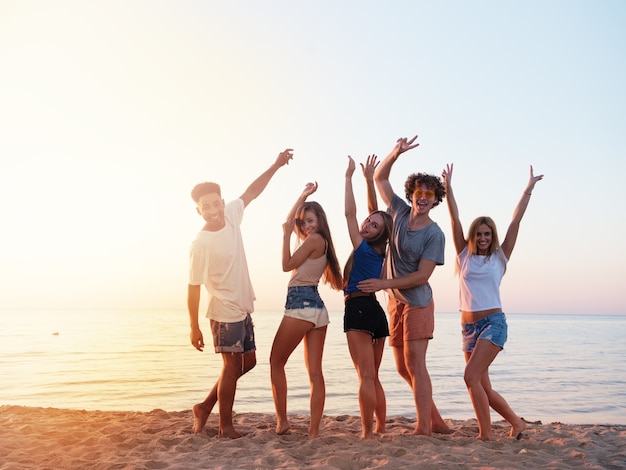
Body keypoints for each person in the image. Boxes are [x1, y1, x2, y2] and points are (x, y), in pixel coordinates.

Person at [187, 149, 293, 439]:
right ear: (199, 211)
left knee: (248, 363)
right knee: (231, 366)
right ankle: (226, 427)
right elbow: (193, 286)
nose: (211, 210)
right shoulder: (201, 244)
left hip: (242, 307)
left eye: (214, 203)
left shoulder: (232, 214)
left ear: (221, 202)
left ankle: (205, 406)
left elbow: (252, 191)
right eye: (204, 207)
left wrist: (275, 165)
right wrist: (194, 326)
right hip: (223, 311)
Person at [442, 162, 543, 441]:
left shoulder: (500, 258)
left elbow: (515, 222)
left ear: (492, 237)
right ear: (473, 235)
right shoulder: (463, 255)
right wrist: (448, 189)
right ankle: (517, 423)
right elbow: (454, 220)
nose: (483, 238)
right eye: (479, 233)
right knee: (481, 385)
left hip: (493, 325)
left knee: (470, 377)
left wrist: (528, 189)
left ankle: (485, 435)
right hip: (468, 329)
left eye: (488, 234)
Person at [357, 135, 450, 436]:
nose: (423, 197)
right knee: (401, 367)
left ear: (437, 199)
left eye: (430, 194)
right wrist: (396, 152)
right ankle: (435, 419)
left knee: (415, 363)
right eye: (419, 191)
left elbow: (422, 276)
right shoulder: (397, 210)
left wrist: (383, 282)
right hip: (395, 302)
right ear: (412, 193)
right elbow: (380, 176)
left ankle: (423, 427)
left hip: (418, 302)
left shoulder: (434, 234)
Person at [270, 182, 343, 439]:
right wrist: (302, 196)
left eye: (310, 220)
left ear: (320, 220)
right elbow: (290, 221)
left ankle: (282, 422)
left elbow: (286, 264)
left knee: (275, 362)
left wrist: (286, 236)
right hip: (318, 311)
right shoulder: (320, 242)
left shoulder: (313, 239)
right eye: (304, 223)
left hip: (300, 304)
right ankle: (313, 432)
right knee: (315, 373)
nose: (306, 226)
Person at [343, 154, 393, 439]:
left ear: (379, 234)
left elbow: (349, 214)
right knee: (373, 376)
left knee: (365, 376)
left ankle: (367, 432)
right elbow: (376, 215)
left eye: (373, 226)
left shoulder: (363, 248)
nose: (365, 225)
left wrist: (348, 178)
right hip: (375, 313)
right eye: (367, 221)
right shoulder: (383, 252)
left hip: (359, 310)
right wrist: (367, 181)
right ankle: (382, 428)